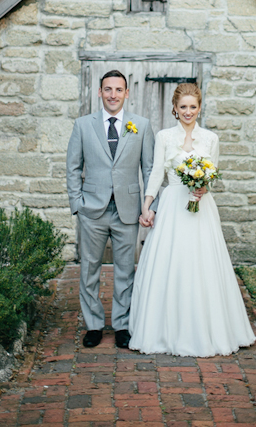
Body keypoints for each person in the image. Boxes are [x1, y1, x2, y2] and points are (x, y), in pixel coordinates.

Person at [129, 82, 256, 357]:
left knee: (203, 264)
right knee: (171, 263)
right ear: (174, 109)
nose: (188, 112)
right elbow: (155, 175)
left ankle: (209, 329)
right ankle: (163, 331)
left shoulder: (211, 139)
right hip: (173, 204)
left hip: (201, 207)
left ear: (199, 108)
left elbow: (214, 174)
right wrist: (147, 206)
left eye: (193, 107)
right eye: (183, 107)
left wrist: (204, 187)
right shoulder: (164, 137)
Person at [66, 70, 156, 349]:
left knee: (125, 270)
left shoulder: (141, 125)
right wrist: (77, 205)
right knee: (89, 268)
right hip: (92, 209)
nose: (113, 95)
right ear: (99, 92)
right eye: (108, 89)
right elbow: (73, 167)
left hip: (128, 210)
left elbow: (150, 168)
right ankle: (93, 325)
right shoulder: (83, 125)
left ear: (127, 93)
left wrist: (148, 206)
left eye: (118, 90)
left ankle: (122, 325)